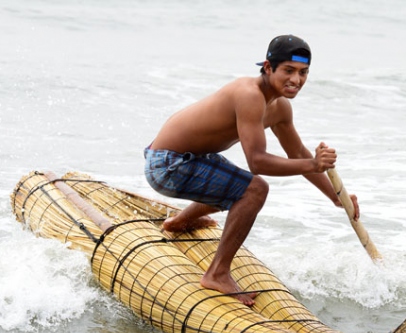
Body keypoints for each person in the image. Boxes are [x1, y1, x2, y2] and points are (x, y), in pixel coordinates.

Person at [145, 35, 359, 306]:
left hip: (192, 158)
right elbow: (257, 162)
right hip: (167, 164)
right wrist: (314, 164)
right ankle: (217, 273)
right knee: (255, 188)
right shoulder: (249, 95)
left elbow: (297, 154)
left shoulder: (280, 107)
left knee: (239, 183)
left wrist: (336, 195)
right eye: (288, 71)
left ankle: (179, 222)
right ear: (268, 68)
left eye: (303, 72)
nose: (297, 79)